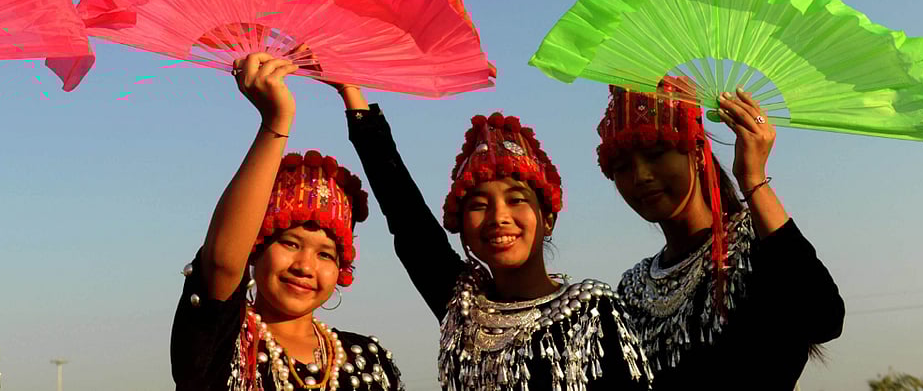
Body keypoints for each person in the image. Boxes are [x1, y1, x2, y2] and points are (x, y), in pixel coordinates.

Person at [335, 82, 651, 391]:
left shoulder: (593, 312)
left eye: (516, 200)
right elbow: (406, 214)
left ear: (548, 219)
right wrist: (352, 93)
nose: (498, 217)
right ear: (460, 225)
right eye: (479, 205)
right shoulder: (462, 307)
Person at [170, 52, 404, 391]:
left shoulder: (369, 359)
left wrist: (350, 89)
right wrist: (276, 121)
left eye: (325, 254)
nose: (305, 266)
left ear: (343, 268)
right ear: (256, 247)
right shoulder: (222, 341)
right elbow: (221, 263)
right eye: (290, 243)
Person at [598, 79, 845, 390]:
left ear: (698, 152)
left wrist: (752, 178)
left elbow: (822, 318)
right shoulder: (632, 289)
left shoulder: (754, 246)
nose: (641, 176)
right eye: (622, 167)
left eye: (657, 154)